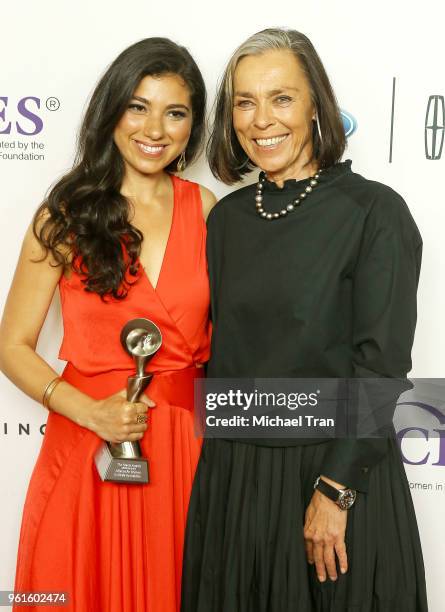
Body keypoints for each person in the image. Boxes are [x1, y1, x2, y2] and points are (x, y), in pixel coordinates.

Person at [181, 28, 428, 611]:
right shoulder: (227, 220)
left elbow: (382, 366)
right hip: (235, 479)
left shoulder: (375, 211)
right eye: (245, 102)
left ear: (316, 103)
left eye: (282, 98)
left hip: (333, 473)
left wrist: (336, 489)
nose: (261, 119)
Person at [0, 37, 216, 612]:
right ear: (112, 110)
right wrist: (89, 411)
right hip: (88, 442)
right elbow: (13, 345)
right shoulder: (65, 215)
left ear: (192, 126)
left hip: (184, 453)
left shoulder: (210, 209)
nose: (155, 128)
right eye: (138, 106)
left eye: (175, 112)